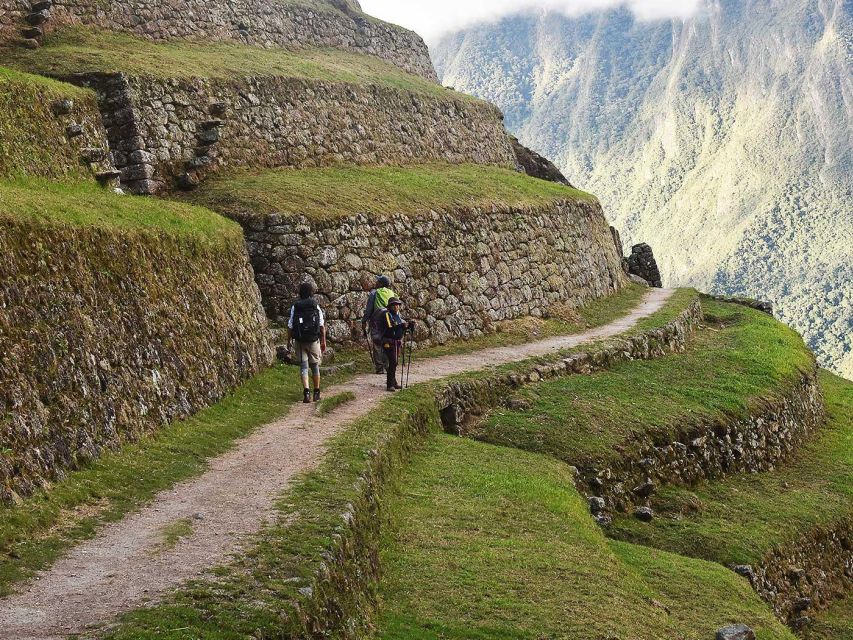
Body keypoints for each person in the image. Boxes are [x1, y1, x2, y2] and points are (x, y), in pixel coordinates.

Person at [287, 281, 327, 403]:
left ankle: (306, 393)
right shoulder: (315, 305)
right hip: (313, 340)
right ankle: (316, 392)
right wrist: (323, 340)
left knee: (303, 366)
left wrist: (288, 341)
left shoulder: (296, 306)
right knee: (315, 366)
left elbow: (290, 325)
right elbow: (321, 325)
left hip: (300, 340)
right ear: (311, 292)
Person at [362, 275, 397, 374]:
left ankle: (379, 367)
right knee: (387, 342)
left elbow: (369, 310)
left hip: (377, 321)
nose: (375, 283)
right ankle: (387, 365)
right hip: (389, 321)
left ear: (381, 284)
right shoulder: (392, 293)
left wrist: (364, 320)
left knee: (377, 343)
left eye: (377, 281)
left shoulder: (374, 293)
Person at [379, 298, 415, 392]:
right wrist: (402, 325)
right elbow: (391, 327)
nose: (396, 307)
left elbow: (400, 328)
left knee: (394, 362)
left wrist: (409, 326)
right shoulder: (387, 314)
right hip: (388, 341)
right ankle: (390, 385)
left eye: (398, 305)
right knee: (393, 361)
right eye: (394, 305)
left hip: (396, 342)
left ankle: (393, 383)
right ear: (390, 306)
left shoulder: (397, 315)